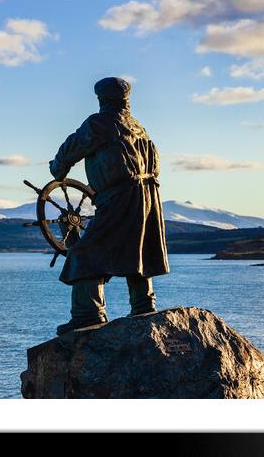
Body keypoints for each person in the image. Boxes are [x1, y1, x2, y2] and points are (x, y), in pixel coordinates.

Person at [49, 76, 170, 336]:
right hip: (149, 196)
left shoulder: (99, 123)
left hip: (120, 196)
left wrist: (57, 168)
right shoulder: (139, 127)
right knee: (139, 249)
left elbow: (70, 150)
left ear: (102, 98)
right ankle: (144, 306)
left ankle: (88, 315)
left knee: (84, 253)